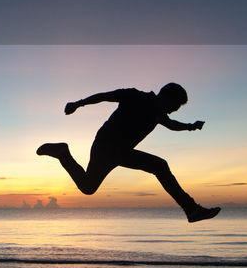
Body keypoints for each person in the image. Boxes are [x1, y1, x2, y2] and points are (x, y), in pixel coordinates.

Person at [36, 82, 220, 223]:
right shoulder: (135, 96)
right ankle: (191, 209)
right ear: (166, 97)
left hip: (116, 151)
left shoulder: (158, 114)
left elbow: (172, 125)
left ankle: (63, 153)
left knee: (88, 187)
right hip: (106, 146)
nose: (174, 110)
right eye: (175, 106)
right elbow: (105, 96)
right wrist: (79, 103)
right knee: (159, 165)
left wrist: (191, 127)